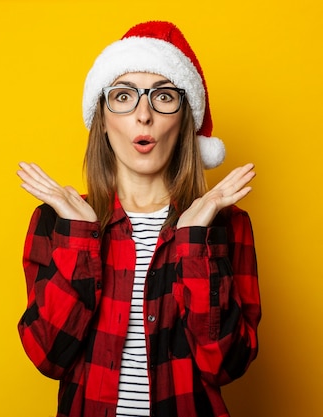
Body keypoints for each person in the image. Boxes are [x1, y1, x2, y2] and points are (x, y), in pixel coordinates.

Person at [16, 21, 261, 417]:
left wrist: (194, 241)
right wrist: (78, 239)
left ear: (184, 120)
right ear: (103, 117)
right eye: (124, 96)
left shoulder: (226, 226)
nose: (143, 115)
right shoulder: (55, 221)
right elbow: (48, 355)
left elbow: (225, 364)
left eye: (163, 96)